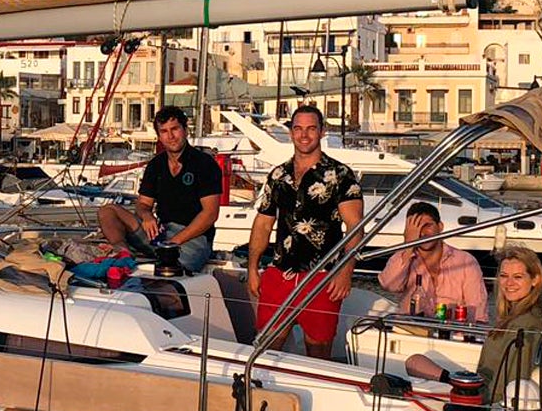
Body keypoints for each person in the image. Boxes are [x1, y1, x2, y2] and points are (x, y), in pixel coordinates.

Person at [245, 105, 364, 360]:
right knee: (265, 349)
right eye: (298, 129)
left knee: (318, 354)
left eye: (311, 129)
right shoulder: (278, 175)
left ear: (322, 131)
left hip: (322, 276)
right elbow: (263, 223)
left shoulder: (341, 175)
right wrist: (252, 268)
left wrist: (346, 271)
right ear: (291, 133)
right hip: (280, 273)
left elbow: (355, 226)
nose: (304, 135)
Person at [405, 246, 542, 402]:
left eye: (518, 277)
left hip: (486, 401)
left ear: (535, 279)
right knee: (415, 362)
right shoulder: (520, 315)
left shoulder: (526, 325)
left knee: (412, 369)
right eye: (504, 275)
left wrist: (473, 400)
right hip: (480, 388)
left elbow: (512, 384)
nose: (509, 283)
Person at [97, 106, 222, 274]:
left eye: (175, 129)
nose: (170, 136)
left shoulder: (204, 163)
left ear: (185, 130)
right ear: (159, 136)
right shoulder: (156, 165)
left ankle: (164, 257)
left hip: (194, 238)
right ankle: (123, 253)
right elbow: (143, 204)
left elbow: (210, 214)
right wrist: (147, 216)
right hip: (160, 233)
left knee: (172, 272)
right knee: (107, 211)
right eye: (164, 131)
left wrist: (174, 242)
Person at [376, 202, 488, 324]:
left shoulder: (466, 261)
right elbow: (389, 285)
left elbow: (478, 312)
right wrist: (407, 246)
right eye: (415, 228)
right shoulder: (403, 257)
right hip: (411, 334)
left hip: (451, 335)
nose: (422, 233)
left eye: (427, 225)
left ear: (440, 226)